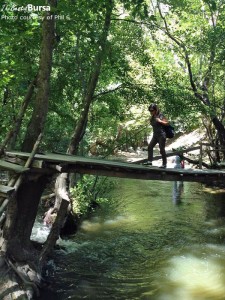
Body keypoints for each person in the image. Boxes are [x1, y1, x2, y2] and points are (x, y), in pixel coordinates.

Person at [143, 103, 169, 168]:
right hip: (155, 135)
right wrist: (150, 121)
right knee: (150, 147)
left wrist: (160, 121)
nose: (151, 112)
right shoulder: (152, 117)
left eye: (152, 110)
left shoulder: (161, 115)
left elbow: (167, 123)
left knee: (161, 149)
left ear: (156, 109)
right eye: (150, 111)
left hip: (161, 135)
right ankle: (149, 162)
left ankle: (164, 164)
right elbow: (153, 124)